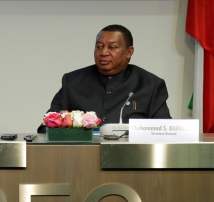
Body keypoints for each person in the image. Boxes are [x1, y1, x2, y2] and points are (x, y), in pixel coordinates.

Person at [38, 24, 171, 133]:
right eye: (99, 47)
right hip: (82, 157)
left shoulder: (150, 85)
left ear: (129, 52)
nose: (103, 53)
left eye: (112, 47)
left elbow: (164, 129)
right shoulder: (73, 81)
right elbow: (47, 126)